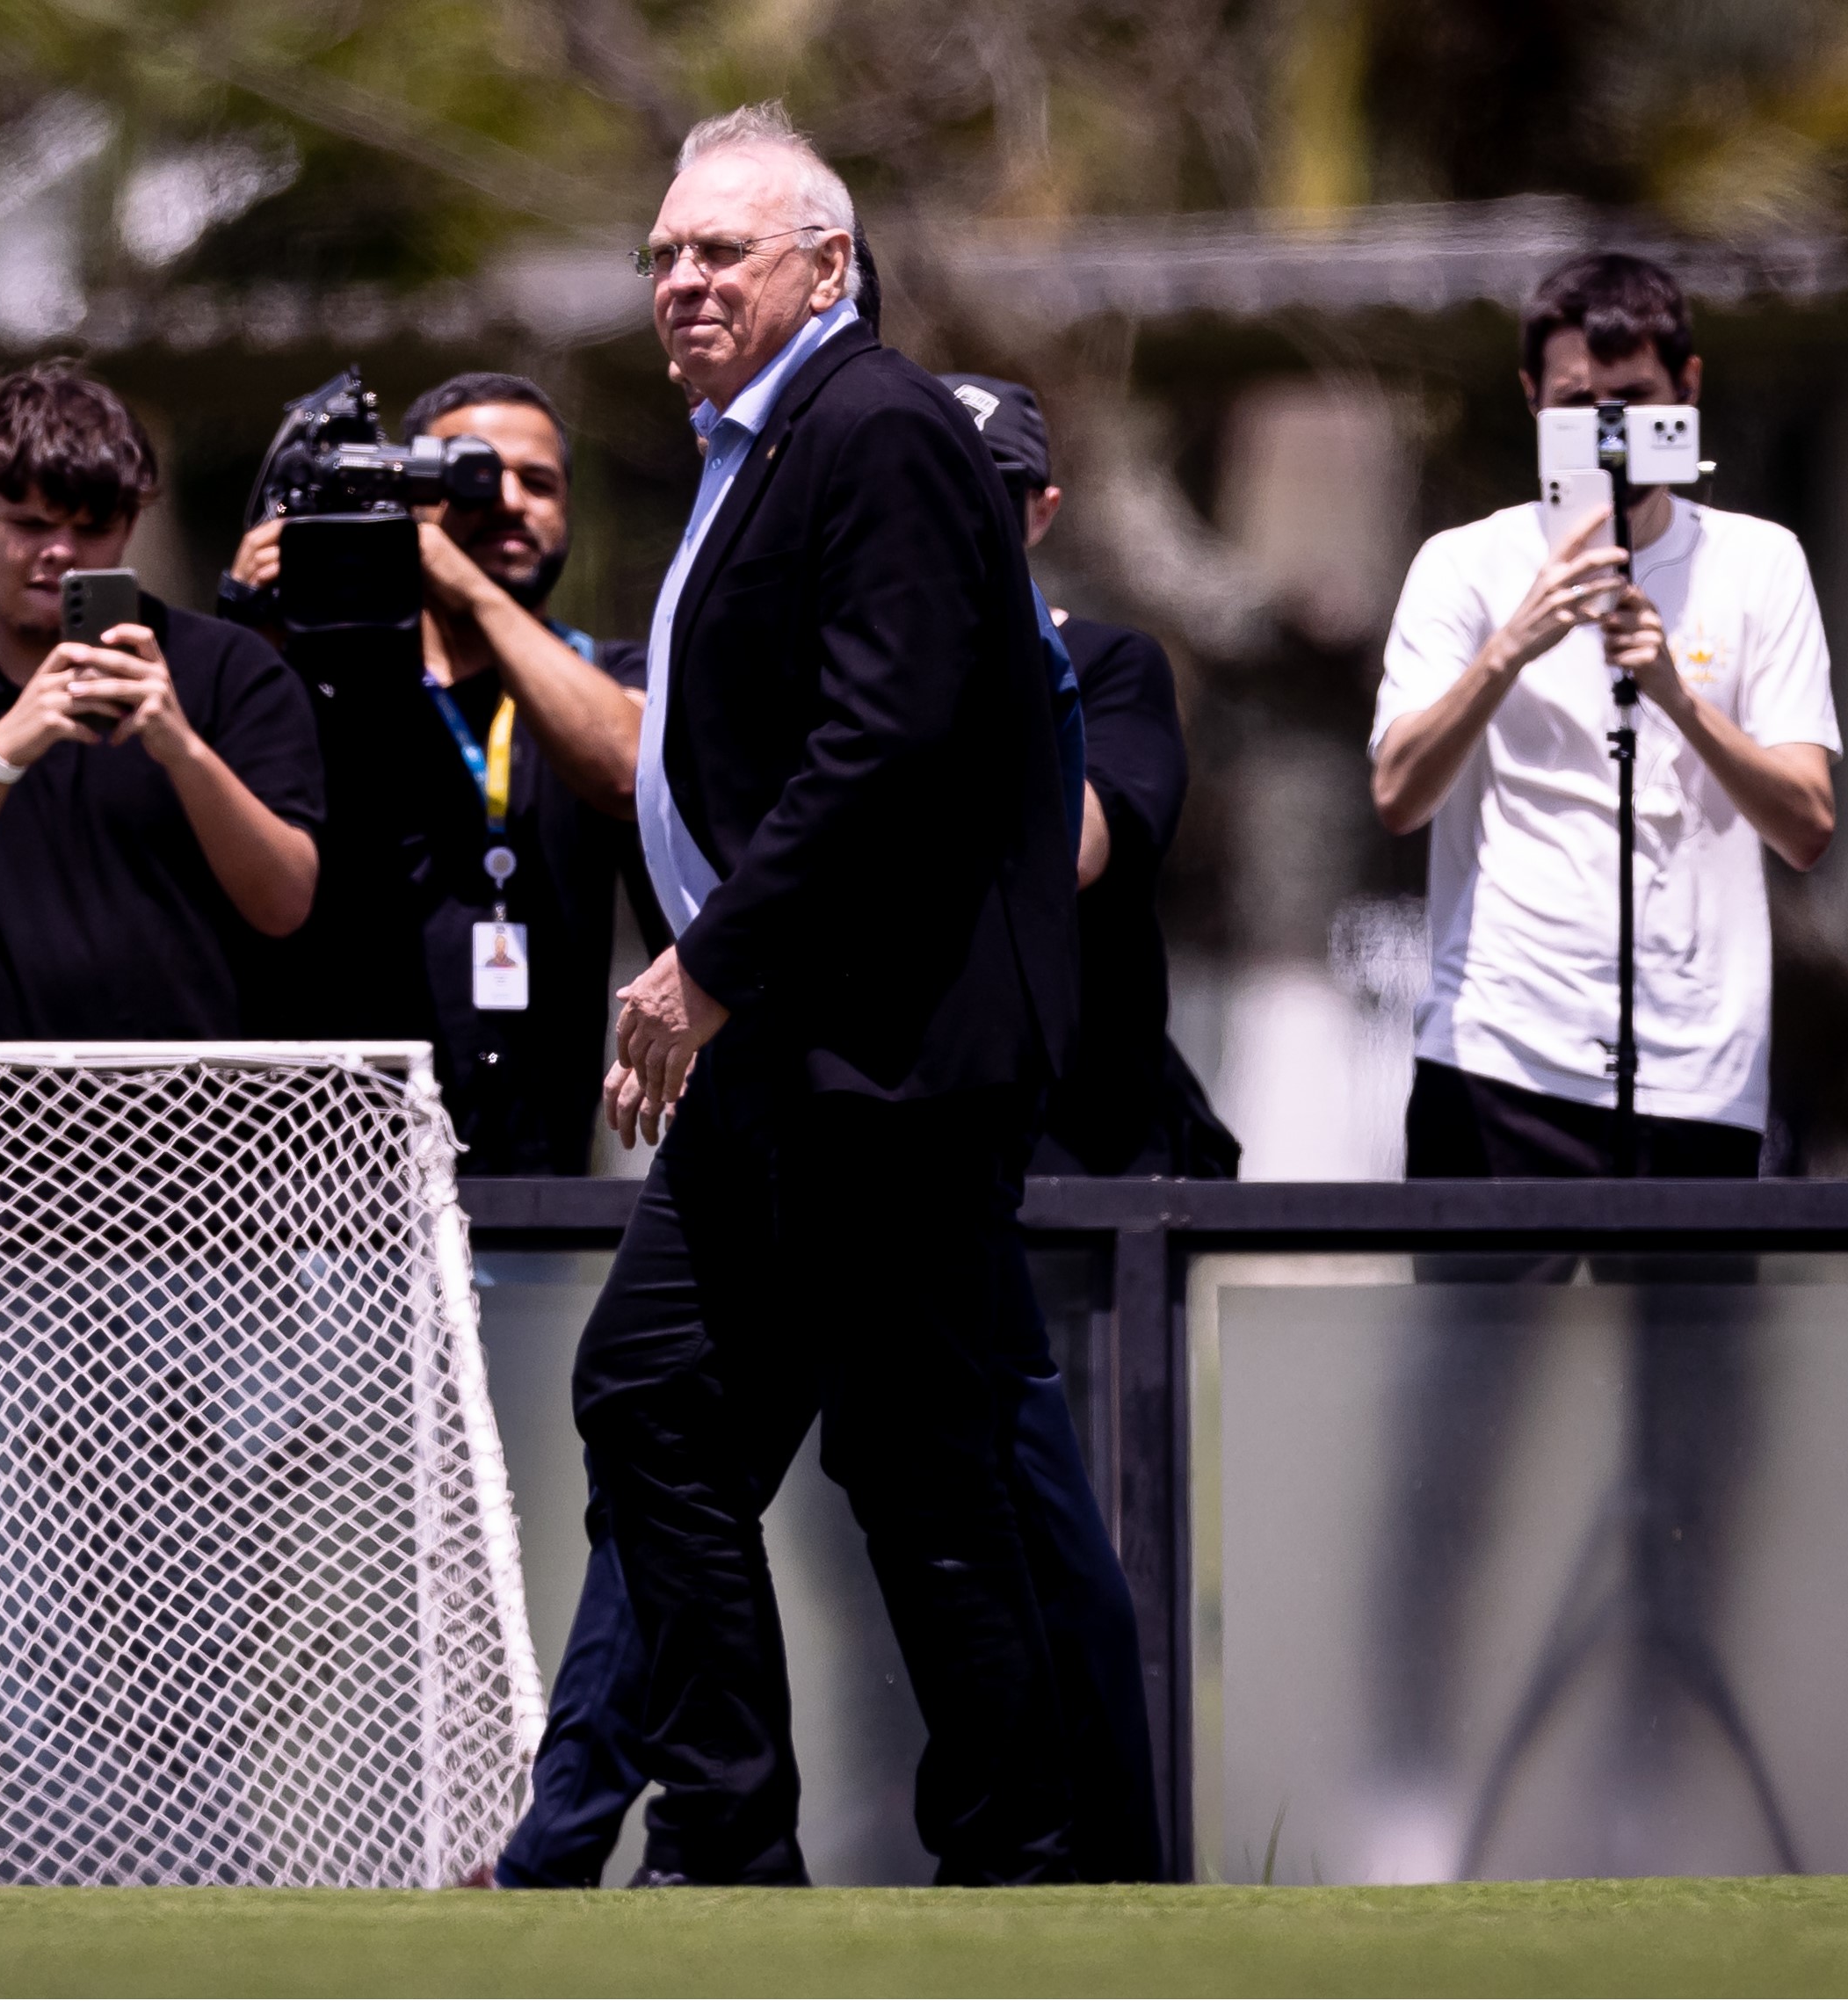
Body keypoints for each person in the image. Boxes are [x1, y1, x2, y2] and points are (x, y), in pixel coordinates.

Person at [575, 102, 1089, 1886]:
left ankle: (1017, 1864)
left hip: (884, 1047)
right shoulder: (753, 447)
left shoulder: (871, 426)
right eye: (665, 253)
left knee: (920, 1459)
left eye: (722, 250)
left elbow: (890, 739)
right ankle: (732, 1845)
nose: (685, 279)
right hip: (787, 1048)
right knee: (656, 1398)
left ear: (825, 266)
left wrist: (706, 962)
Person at [1368, 252, 1839, 1178]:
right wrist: (1511, 646)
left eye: (1631, 402)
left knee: (1684, 1332)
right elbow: (1396, 793)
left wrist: (1673, 692)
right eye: (1576, 409)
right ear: (1529, 400)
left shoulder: (1757, 562)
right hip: (1495, 1051)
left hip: (1696, 1065)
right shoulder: (1464, 564)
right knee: (1476, 1329)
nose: (1605, 434)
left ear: (1686, 389)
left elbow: (1806, 824)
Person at [221, 371, 649, 1171]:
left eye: (539, 482)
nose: (509, 500)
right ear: (408, 490)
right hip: (334, 1192)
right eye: (473, 475)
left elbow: (629, 769)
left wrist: (457, 578)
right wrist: (248, 631)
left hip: (543, 1174)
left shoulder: (607, 672)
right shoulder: (319, 679)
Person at [0, 363, 322, 1034]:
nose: (61, 553)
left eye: (92, 528)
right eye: (32, 524)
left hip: (204, 1125)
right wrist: (1, 750)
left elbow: (285, 902)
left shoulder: (232, 670)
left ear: (129, 524)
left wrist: (183, 749)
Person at [939, 374, 1238, 1179]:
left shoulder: (1111, 665)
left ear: (1041, 511)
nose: (953, 520)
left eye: (987, 495)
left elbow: (1070, 849)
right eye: (926, 487)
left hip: (1083, 1142)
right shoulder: (842, 667)